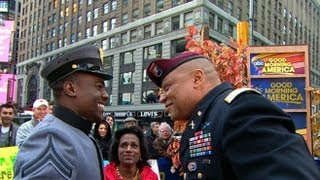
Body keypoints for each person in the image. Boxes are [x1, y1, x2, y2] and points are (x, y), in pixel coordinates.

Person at [147, 51, 320, 179]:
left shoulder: (241, 110)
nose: (161, 97)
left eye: (167, 88)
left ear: (197, 78)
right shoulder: (207, 119)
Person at [14, 45, 112, 179]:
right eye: (99, 87)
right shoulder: (51, 139)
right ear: (70, 89)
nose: (105, 95)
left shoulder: (75, 133)